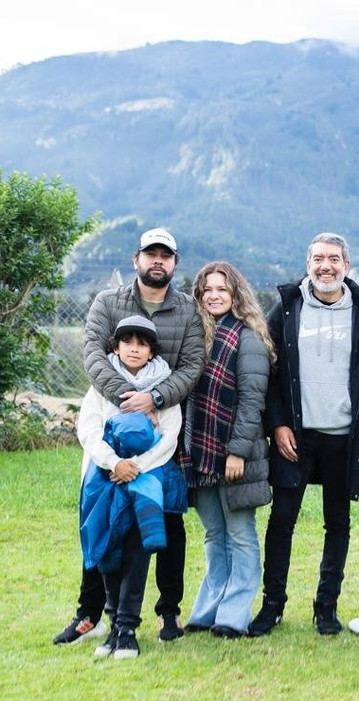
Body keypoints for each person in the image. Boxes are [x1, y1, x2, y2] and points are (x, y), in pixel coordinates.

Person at [54, 227, 203, 646]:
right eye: (150, 254)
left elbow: (191, 367)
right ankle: (90, 614)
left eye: (166, 255)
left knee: (168, 527)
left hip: (161, 438)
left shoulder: (187, 310)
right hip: (110, 432)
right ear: (136, 258)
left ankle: (167, 613)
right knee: (100, 524)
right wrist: (127, 399)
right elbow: (92, 356)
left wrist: (154, 397)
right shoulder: (108, 302)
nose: (158, 261)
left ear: (174, 264)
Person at [250, 233, 359, 636]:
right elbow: (272, 374)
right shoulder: (287, 309)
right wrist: (276, 424)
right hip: (296, 436)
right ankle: (272, 605)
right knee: (282, 520)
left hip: (345, 438)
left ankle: (326, 606)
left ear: (346, 266)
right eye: (318, 258)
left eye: (334, 258)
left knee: (338, 523)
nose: (325, 266)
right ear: (307, 263)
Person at [77, 316, 186, 659]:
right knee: (109, 549)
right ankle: (111, 624)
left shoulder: (162, 388)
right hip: (107, 478)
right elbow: (89, 429)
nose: (134, 349)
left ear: (152, 349)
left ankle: (128, 628)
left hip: (145, 481)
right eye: (127, 342)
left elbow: (170, 434)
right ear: (116, 346)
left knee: (137, 551)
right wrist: (115, 463)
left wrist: (136, 467)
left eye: (141, 343)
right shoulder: (100, 387)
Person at [184, 262, 275, 638]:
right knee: (213, 534)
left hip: (236, 453)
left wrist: (236, 452)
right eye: (207, 289)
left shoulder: (248, 338)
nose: (214, 295)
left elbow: (252, 401)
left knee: (240, 533)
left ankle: (235, 613)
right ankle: (209, 608)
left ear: (236, 294)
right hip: (201, 452)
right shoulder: (198, 337)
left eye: (222, 289)